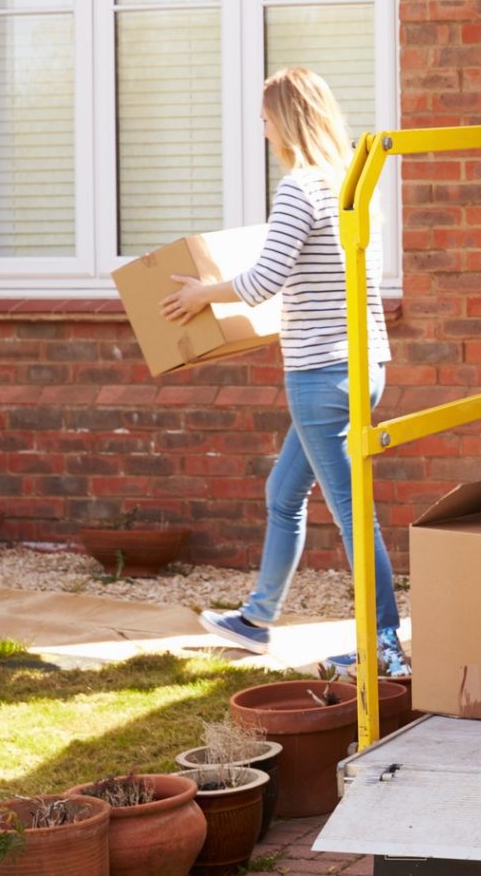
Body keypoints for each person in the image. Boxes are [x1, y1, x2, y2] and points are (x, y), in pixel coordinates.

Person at [162, 66, 407, 678]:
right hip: (357, 365)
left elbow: (264, 280)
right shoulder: (349, 182)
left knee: (352, 512)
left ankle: (385, 647)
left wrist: (203, 294)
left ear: (288, 120)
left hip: (321, 374)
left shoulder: (300, 188)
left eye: (267, 117)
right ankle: (256, 619)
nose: (263, 129)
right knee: (284, 493)